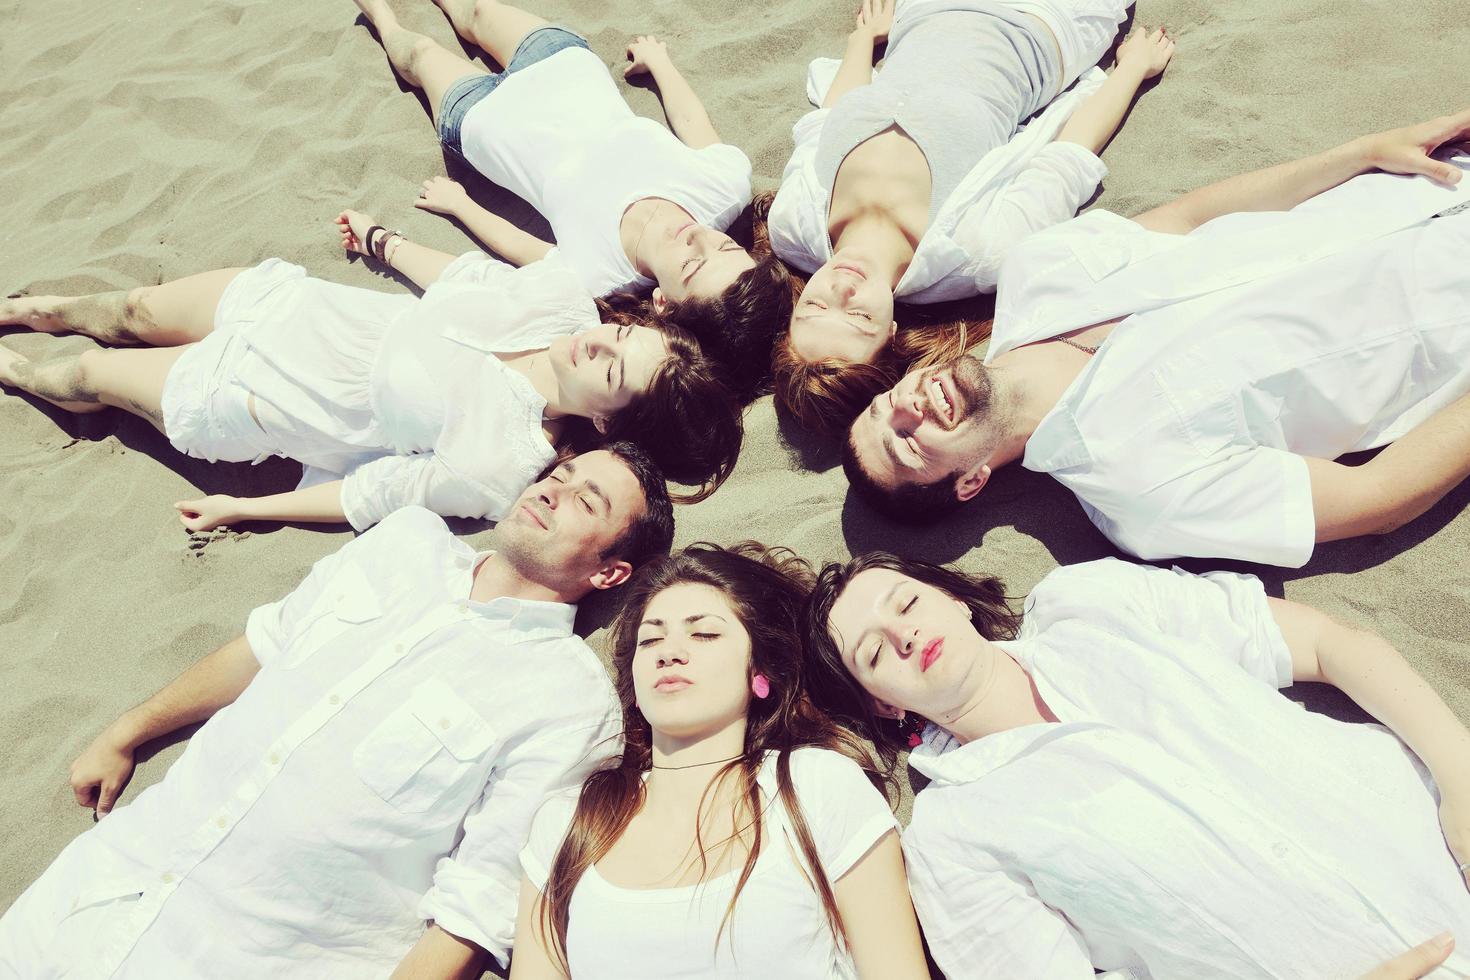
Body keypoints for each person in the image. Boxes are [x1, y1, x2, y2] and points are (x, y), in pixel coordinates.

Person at [0, 445, 675, 979]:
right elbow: (262, 646)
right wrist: (128, 731)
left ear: (610, 573)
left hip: (247, 960)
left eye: (586, 499)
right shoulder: (405, 542)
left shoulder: (564, 702)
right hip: (97, 891)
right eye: (561, 471)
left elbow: (473, 916)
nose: (553, 487)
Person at [844, 110, 1470, 567]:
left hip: (1425, 180)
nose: (905, 408)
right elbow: (1378, 497)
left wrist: (1362, 152)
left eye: (883, 406)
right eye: (906, 444)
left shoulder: (1038, 272)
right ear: (970, 481)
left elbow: (1192, 217)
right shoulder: (1141, 490)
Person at [804, 552, 1470, 977]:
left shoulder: (1090, 606)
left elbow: (1327, 642)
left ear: (948, 596)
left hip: (1443, 843)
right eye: (873, 652)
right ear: (882, 705)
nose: (904, 632)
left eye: (908, 602)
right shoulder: (952, 843)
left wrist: (1460, 775)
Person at [0, 208, 741, 533]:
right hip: (288, 308)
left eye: (612, 373)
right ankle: (42, 309)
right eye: (620, 337)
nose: (597, 346)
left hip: (248, 399)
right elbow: (457, 279)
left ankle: (20, 376)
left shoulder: (499, 462)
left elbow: (369, 493)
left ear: (607, 420)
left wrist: (246, 509)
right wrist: (382, 240)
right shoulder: (560, 302)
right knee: (128, 309)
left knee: (94, 376)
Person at [509, 543, 928, 978]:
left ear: (759, 672)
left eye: (704, 633)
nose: (667, 651)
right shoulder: (567, 821)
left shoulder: (816, 785)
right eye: (649, 639)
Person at [768, 0, 1175, 432]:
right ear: (890, 333)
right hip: (1040, 24)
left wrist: (864, 41)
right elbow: (1068, 157)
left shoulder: (793, 222)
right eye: (859, 317)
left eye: (814, 305)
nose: (842, 288)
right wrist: (1132, 69)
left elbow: (825, 121)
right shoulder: (975, 252)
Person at [350, 0, 792, 392]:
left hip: (484, 122)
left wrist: (461, 205)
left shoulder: (597, 276)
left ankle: (380, 15)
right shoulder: (726, 186)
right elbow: (692, 122)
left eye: (693, 264)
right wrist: (660, 63)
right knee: (475, 10)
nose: (698, 237)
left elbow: (523, 248)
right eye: (727, 246)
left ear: (664, 302)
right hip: (561, 64)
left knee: (420, 52)